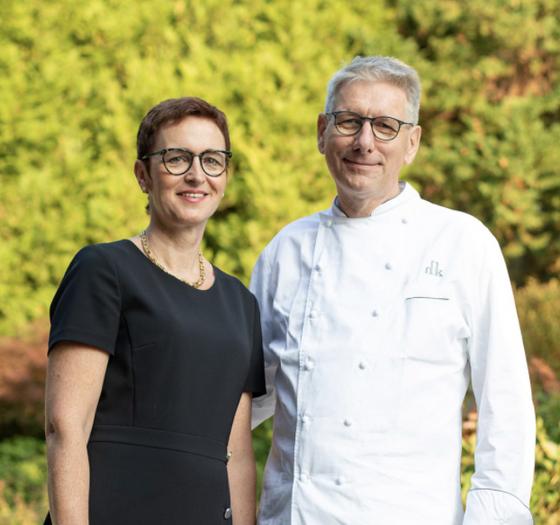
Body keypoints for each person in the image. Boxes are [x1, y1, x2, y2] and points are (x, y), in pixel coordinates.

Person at [250, 56, 535, 525]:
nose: (365, 142)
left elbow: (505, 407)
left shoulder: (463, 243)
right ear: (322, 132)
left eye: (385, 126)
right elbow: (249, 396)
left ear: (412, 143)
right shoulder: (286, 251)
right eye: (349, 122)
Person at [44, 97, 265, 525]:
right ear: (143, 175)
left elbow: (237, 453)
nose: (196, 174)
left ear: (225, 175)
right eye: (176, 158)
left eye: (212, 160)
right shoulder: (103, 270)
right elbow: (64, 427)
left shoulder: (241, 303)